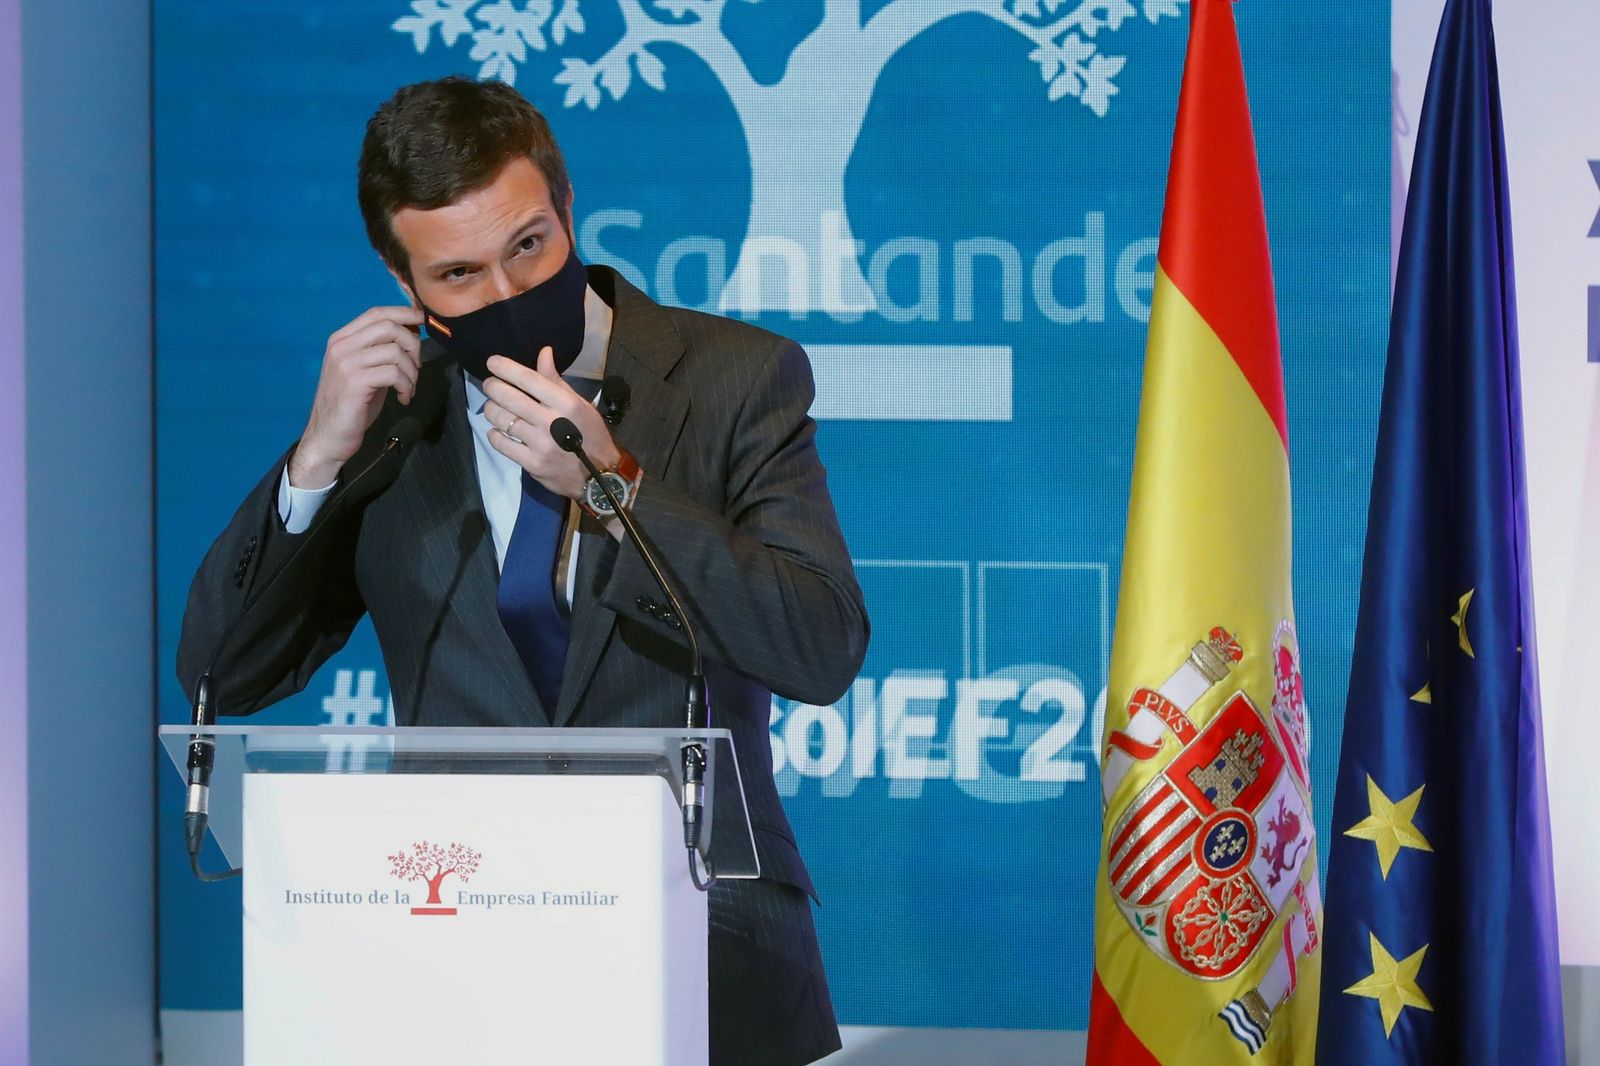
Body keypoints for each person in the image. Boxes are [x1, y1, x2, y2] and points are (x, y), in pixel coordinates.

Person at [177, 76, 867, 1065]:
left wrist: (615, 486)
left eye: (529, 247)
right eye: (458, 275)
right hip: (458, 965)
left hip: (712, 947)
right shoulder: (391, 429)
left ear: (566, 204)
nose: (505, 294)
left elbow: (821, 644)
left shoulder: (736, 380)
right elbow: (224, 673)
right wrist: (316, 459)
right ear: (400, 277)